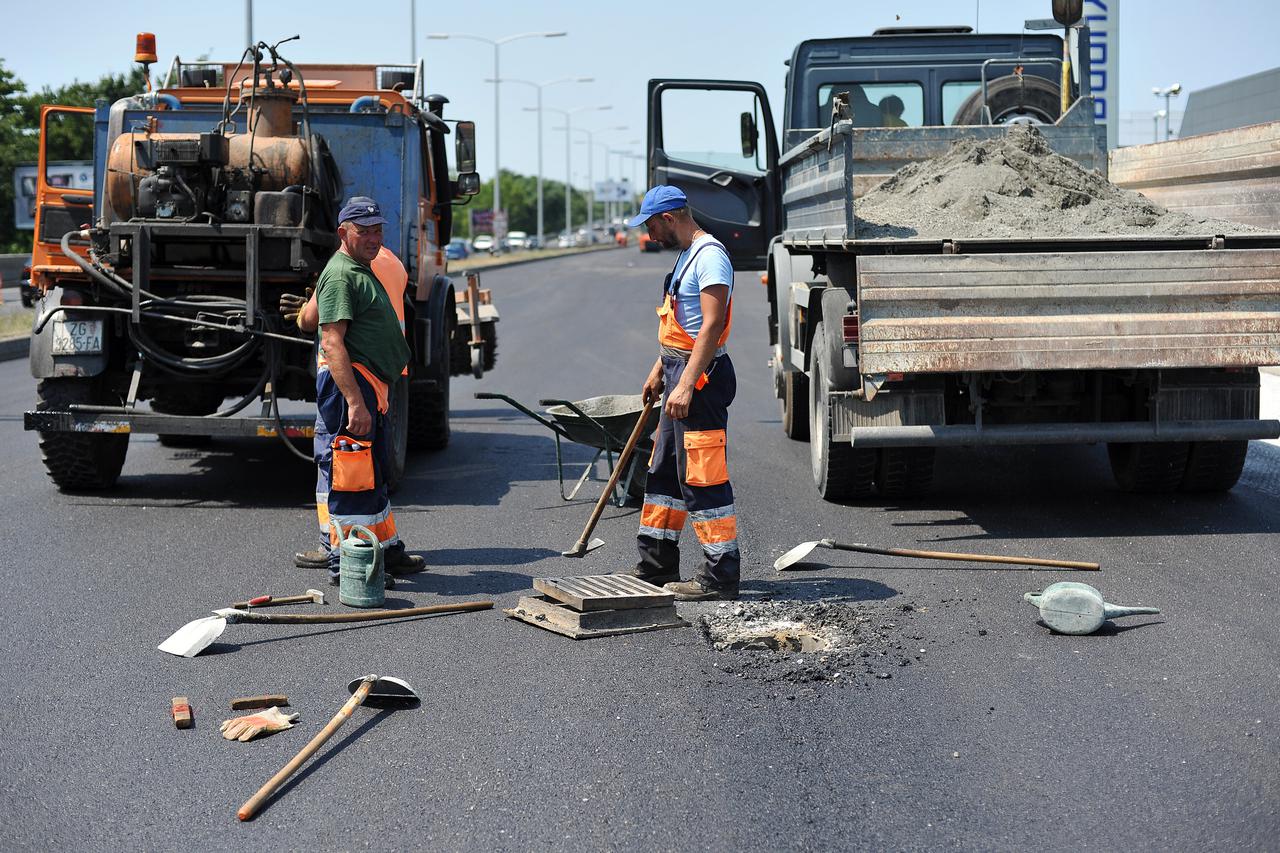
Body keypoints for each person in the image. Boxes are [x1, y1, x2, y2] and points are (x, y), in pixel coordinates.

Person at [280, 197, 425, 585]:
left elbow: (309, 321)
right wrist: (355, 403)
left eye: (378, 230)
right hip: (352, 387)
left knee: (371, 475)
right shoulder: (342, 274)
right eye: (364, 231)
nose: (373, 238)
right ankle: (348, 566)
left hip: (370, 385)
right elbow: (331, 342)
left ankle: (384, 550)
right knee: (350, 479)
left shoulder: (364, 267)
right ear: (344, 233)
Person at [626, 185, 740, 601]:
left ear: (670, 218)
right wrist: (660, 369)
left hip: (701, 378)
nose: (649, 234)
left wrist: (687, 382)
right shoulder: (686, 256)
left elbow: (710, 326)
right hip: (678, 370)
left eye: (652, 225)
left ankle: (720, 575)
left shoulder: (710, 256)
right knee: (663, 473)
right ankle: (656, 565)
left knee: (702, 477)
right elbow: (682, 324)